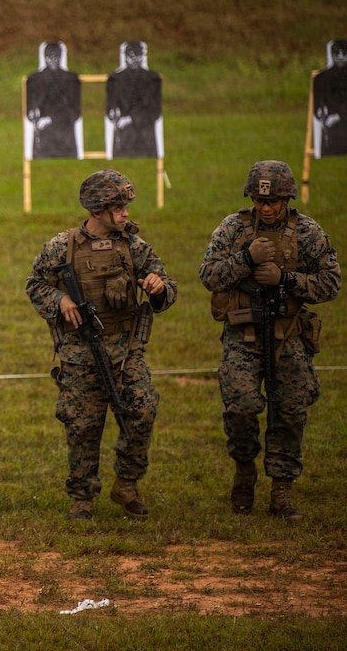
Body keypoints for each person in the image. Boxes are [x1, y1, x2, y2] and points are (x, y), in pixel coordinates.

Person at [26, 170, 176, 520]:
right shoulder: (60, 247)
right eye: (118, 207)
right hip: (80, 353)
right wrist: (59, 301)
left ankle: (126, 484)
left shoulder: (134, 247)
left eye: (126, 207)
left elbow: (167, 287)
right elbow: (35, 285)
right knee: (82, 424)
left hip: (126, 351)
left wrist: (158, 286)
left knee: (142, 411)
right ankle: (83, 496)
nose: (125, 214)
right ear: (97, 210)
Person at [198, 161, 340, 520]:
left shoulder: (307, 233)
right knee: (241, 406)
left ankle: (282, 490)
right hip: (243, 332)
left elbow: (331, 283)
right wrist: (245, 259)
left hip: (288, 333)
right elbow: (208, 274)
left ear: (288, 199)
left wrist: (287, 279)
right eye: (260, 201)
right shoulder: (233, 228)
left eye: (274, 201)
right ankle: (245, 471)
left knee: (290, 412)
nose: (266, 208)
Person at [25, 40, 82, 160]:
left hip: (66, 139)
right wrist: (32, 113)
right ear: (44, 57)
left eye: (56, 56)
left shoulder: (71, 79)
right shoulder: (34, 79)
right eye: (49, 56)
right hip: (43, 141)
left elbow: (75, 113)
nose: (53, 60)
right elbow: (29, 108)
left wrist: (50, 119)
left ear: (61, 56)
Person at [105, 40, 162, 159]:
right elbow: (110, 105)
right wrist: (112, 112)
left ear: (142, 56)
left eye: (138, 55)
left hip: (145, 138)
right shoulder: (115, 79)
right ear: (125, 57)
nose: (135, 59)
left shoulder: (152, 79)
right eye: (131, 56)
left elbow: (155, 111)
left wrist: (130, 118)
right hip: (124, 138)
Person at [313, 39, 347, 158]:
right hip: (330, 129)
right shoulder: (322, 78)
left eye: (344, 54)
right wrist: (320, 111)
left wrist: (338, 116)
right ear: (332, 55)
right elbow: (317, 103)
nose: (341, 57)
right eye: (337, 54)